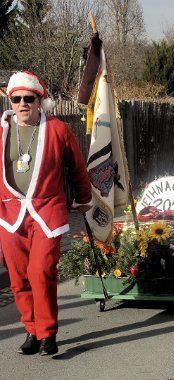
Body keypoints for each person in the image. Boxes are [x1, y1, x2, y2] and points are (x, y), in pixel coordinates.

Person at [0, 71, 92, 356]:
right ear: (10, 101)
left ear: (40, 101)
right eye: (17, 99)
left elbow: (76, 166)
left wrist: (83, 196)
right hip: (9, 212)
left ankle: (48, 332)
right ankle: (32, 330)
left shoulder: (57, 129)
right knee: (18, 278)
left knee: (41, 272)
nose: (23, 104)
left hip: (46, 211)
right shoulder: (1, 130)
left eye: (29, 98)